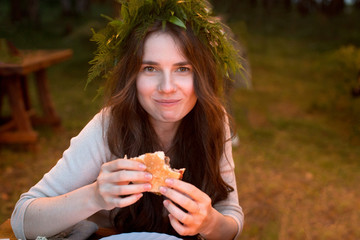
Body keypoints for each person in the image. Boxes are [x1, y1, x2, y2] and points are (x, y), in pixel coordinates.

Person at [11, 0, 244, 239]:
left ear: (202, 75)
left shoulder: (215, 122)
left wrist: (209, 222)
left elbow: (230, 215)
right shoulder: (108, 126)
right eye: (150, 69)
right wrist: (94, 196)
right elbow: (22, 221)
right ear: (132, 76)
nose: (166, 87)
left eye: (183, 68)